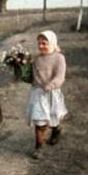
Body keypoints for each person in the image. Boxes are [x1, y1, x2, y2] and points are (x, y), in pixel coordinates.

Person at [27, 30, 67, 159]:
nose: (41, 46)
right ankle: (39, 147)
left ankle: (56, 130)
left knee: (53, 117)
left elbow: (60, 77)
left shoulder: (58, 58)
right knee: (40, 122)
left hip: (52, 93)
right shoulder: (37, 59)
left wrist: (49, 85)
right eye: (39, 43)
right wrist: (21, 68)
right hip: (38, 94)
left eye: (44, 43)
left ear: (52, 43)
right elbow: (31, 78)